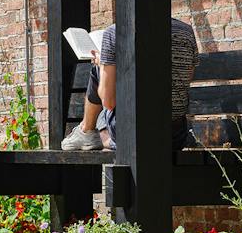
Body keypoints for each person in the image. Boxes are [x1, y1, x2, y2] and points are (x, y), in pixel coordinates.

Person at [62, 17, 199, 153]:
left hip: (130, 136)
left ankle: (88, 132)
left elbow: (108, 103)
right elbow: (186, 81)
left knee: (98, 70)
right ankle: (94, 134)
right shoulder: (186, 31)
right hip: (175, 136)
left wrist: (102, 64)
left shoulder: (115, 32)